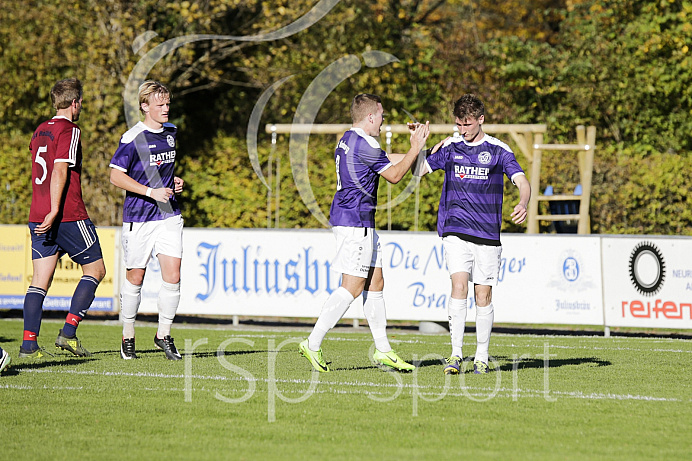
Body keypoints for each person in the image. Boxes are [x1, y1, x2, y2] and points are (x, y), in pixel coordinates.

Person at [299, 93, 430, 372]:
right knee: (353, 286)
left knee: (376, 282)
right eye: (381, 116)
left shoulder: (349, 138)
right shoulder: (366, 143)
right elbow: (394, 175)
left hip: (358, 220)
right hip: (355, 222)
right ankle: (312, 343)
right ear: (371, 116)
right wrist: (415, 149)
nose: (384, 121)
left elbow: (386, 159)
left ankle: (383, 350)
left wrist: (420, 151)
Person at [416, 94, 531, 375]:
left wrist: (523, 202)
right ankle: (455, 355)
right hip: (455, 229)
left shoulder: (499, 150)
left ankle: (481, 356)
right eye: (458, 124)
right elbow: (419, 170)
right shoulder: (451, 146)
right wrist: (419, 147)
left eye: (466, 124)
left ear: (480, 120)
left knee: (483, 295)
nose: (461, 130)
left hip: (487, 234)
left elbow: (522, 181)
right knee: (459, 287)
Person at [20, 77, 107, 358]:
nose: (81, 106)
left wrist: (46, 209)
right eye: (80, 102)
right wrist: (56, 209)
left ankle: (29, 346)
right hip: (66, 215)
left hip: (37, 214)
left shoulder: (39, 130)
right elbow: (59, 170)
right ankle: (68, 334)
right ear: (74, 103)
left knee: (39, 281)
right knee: (96, 271)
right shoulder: (70, 130)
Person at [109, 81, 184, 361]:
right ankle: (128, 335)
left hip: (169, 215)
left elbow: (163, 171)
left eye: (167, 104)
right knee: (136, 277)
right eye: (160, 105)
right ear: (145, 106)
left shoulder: (172, 133)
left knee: (173, 275)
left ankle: (163, 335)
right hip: (139, 217)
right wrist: (150, 191)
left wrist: (175, 183)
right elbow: (116, 175)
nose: (165, 109)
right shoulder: (132, 138)